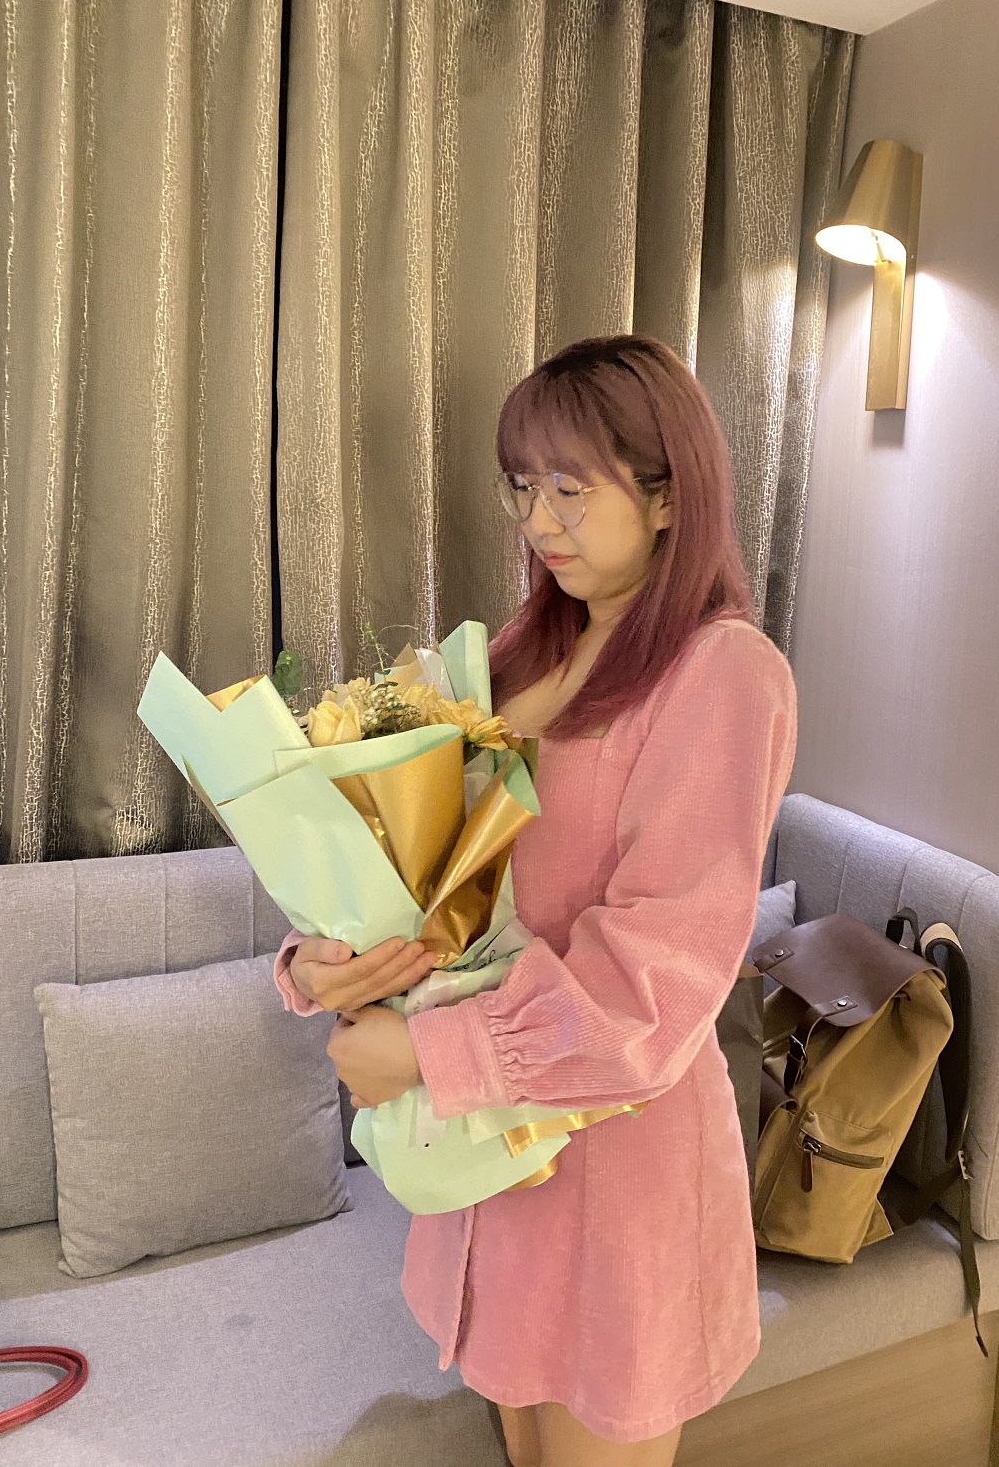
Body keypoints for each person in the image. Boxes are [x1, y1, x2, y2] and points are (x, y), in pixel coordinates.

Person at [274, 335, 797, 1467]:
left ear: (669, 496)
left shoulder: (722, 673)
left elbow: (657, 976)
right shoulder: (521, 650)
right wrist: (325, 958)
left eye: (570, 487)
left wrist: (427, 1054)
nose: (538, 521)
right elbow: (430, 868)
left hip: (616, 1168)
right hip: (491, 1162)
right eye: (522, 486)